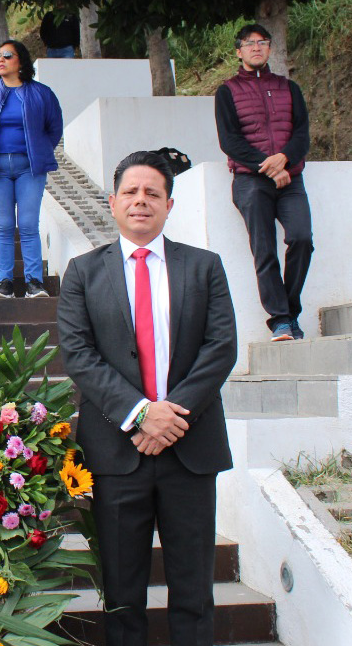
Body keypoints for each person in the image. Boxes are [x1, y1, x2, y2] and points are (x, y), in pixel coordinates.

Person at [56, 150, 237, 646]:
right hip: (117, 455)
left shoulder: (204, 268)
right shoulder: (83, 274)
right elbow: (78, 354)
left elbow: (220, 349)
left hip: (190, 449)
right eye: (131, 193)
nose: (141, 201)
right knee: (122, 594)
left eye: (152, 193)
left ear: (169, 205)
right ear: (113, 202)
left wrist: (170, 418)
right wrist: (140, 414)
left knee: (194, 592)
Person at [215, 23, 313, 342]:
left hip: (290, 179)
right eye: (249, 43)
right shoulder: (227, 91)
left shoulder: (289, 88)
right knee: (264, 249)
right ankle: (281, 319)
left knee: (301, 239)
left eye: (262, 42)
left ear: (270, 48)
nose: (256, 47)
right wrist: (268, 166)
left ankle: (291, 310)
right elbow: (230, 141)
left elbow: (301, 135)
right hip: (250, 181)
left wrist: (283, 159)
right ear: (239, 51)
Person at [0, 40, 63, 299]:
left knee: (29, 225)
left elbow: (54, 128)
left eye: (7, 55)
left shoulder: (41, 93)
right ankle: (5, 283)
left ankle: (34, 283)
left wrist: (37, 149)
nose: (1, 60)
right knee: (4, 226)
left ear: (21, 61)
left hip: (29, 168)